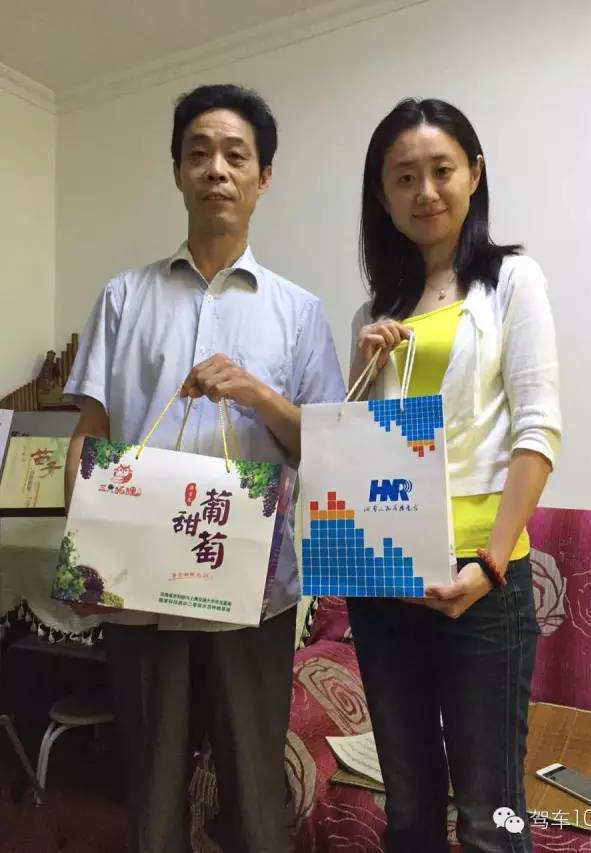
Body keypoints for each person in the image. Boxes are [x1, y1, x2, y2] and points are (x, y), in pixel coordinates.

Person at [64, 84, 345, 853]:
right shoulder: (123, 296)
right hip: (137, 587)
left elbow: (324, 449)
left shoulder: (298, 311)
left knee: (255, 797)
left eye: (235, 155)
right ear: (178, 172)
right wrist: (81, 555)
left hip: (254, 592)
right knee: (150, 800)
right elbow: (91, 433)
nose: (216, 169)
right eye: (198, 153)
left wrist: (257, 393)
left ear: (263, 177)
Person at [347, 98, 561, 853]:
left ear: (474, 173)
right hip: (385, 576)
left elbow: (538, 431)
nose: (426, 191)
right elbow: (359, 451)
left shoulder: (512, 280)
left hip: (483, 577)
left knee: (489, 814)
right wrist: (361, 372)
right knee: (407, 808)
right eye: (404, 177)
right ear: (383, 196)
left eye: (441, 170)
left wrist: (491, 564)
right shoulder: (373, 312)